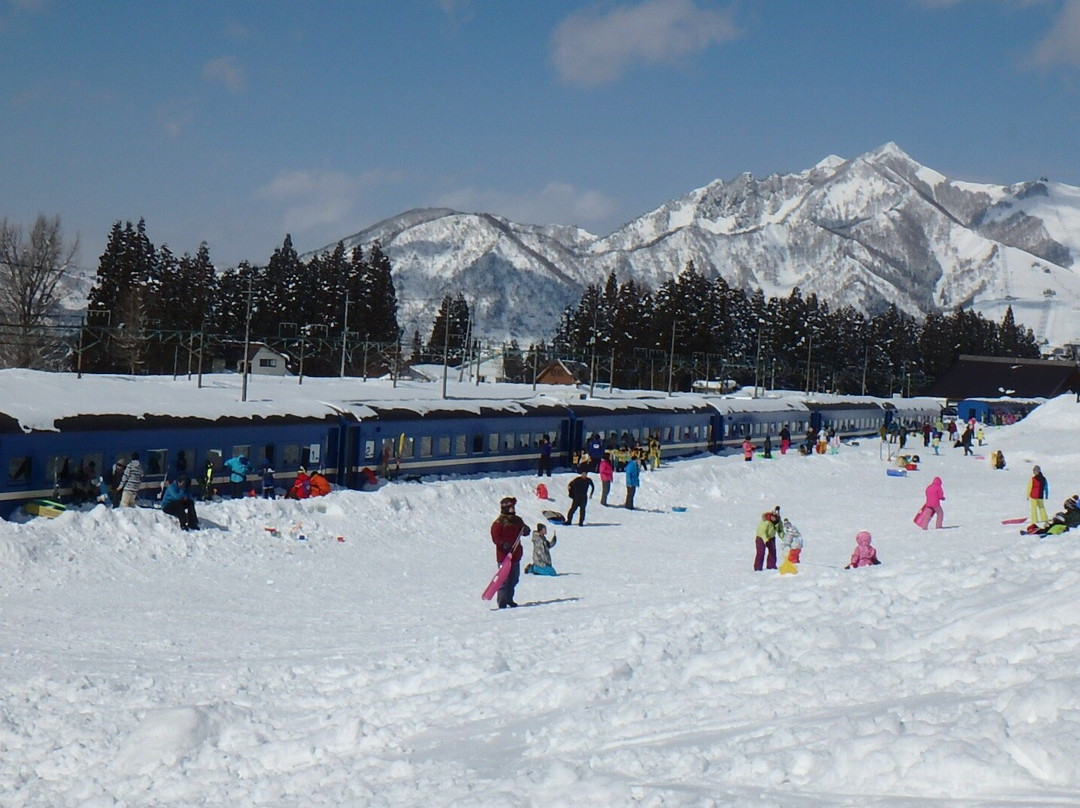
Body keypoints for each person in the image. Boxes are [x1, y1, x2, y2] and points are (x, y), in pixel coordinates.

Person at [490, 496, 530, 608]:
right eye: (510, 507)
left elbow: (524, 530)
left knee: (514, 578)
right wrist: (503, 544)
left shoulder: (517, 520)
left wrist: (526, 530)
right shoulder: (498, 523)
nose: (512, 509)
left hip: (516, 555)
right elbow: (495, 537)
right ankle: (502, 601)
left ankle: (509, 599)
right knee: (504, 579)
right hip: (504, 556)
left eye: (513, 507)